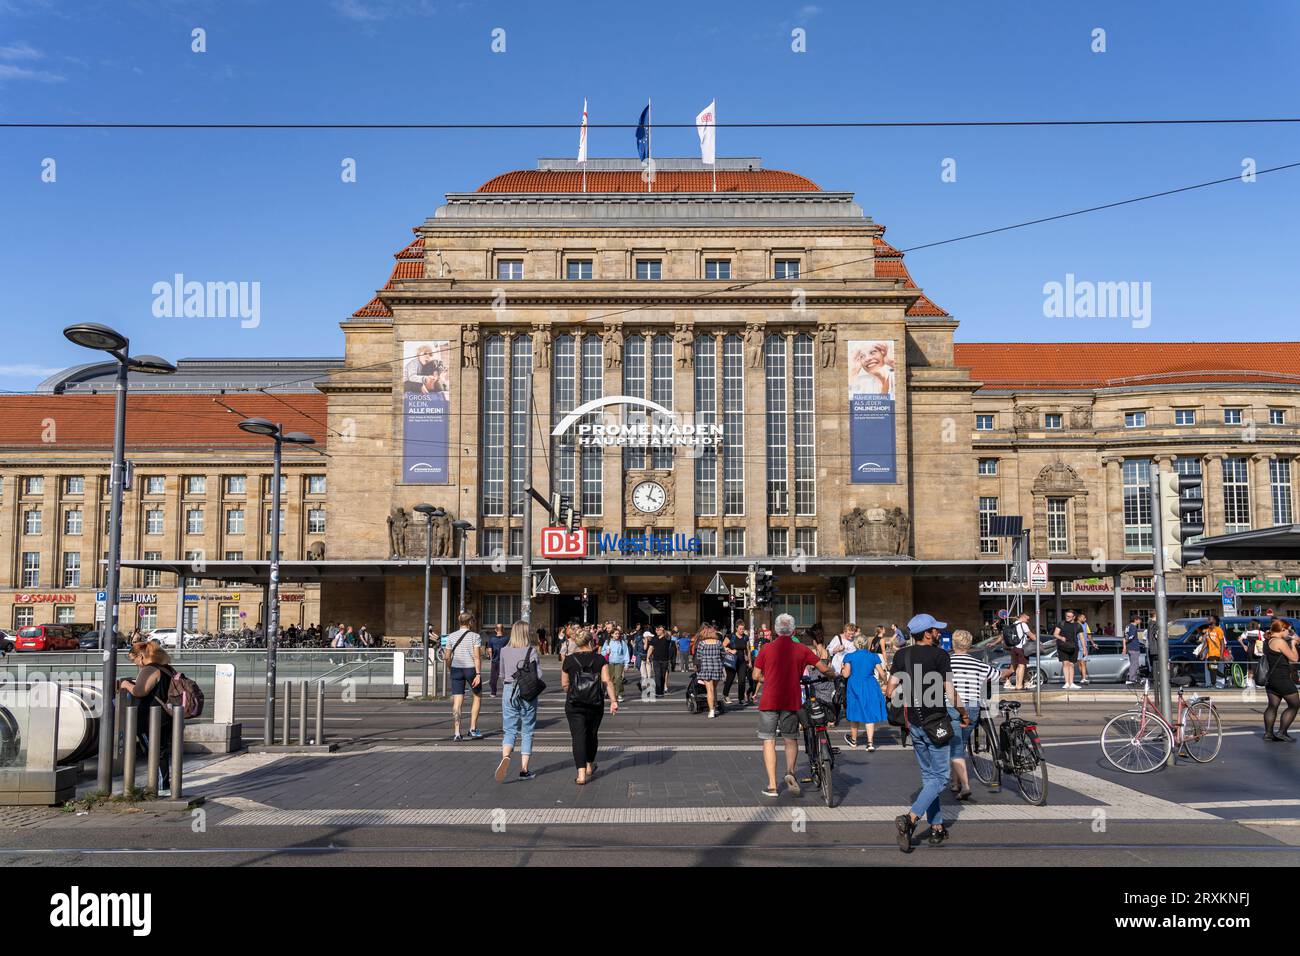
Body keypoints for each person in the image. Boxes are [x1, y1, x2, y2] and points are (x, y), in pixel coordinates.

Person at [886, 613, 968, 852]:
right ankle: (910, 819)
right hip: (937, 723)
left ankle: (937, 827)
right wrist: (963, 713)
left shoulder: (902, 655)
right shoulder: (940, 655)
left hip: (914, 724)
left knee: (929, 777)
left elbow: (890, 690)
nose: (939, 632)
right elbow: (950, 691)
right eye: (935, 629)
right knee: (941, 778)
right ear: (926, 633)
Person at [752, 613, 833, 798]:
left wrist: (769, 679)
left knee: (768, 740)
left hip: (769, 700)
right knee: (790, 739)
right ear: (794, 631)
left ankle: (772, 786)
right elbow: (823, 668)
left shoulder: (766, 649)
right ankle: (790, 771)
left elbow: (756, 676)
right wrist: (835, 675)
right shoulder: (801, 649)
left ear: (775, 630)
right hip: (791, 700)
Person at [560, 628, 619, 784]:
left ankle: (580, 775)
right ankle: (590, 766)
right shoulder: (600, 659)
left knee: (578, 737)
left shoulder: (569, 660)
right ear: (591, 641)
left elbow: (564, 684)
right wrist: (613, 701)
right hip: (595, 703)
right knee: (592, 735)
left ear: (578, 643)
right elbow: (607, 681)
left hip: (574, 704)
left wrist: (575, 690)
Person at [118, 640, 175, 794]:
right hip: (166, 716)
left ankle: (160, 787)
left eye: (134, 659)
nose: (135, 664)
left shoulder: (149, 669)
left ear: (142, 656)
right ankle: (162, 785)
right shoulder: (167, 669)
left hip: (150, 718)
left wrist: (125, 685)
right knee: (161, 751)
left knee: (153, 751)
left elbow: (139, 691)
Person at [948, 629, 999, 801]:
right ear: (969, 645)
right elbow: (996, 675)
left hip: (953, 706)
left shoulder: (946, 662)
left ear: (953, 644)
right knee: (959, 744)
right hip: (972, 706)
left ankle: (964, 785)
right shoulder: (977, 664)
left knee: (954, 746)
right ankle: (955, 783)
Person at [496, 621, 542, 782]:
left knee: (509, 730)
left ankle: (506, 756)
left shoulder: (504, 650)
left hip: (509, 690)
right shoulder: (532, 651)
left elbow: (501, 673)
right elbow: (539, 675)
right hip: (528, 692)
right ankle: (524, 770)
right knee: (527, 730)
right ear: (526, 633)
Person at [840, 633, 887, 750]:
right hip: (870, 685)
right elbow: (882, 674)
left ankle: (854, 741)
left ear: (855, 644)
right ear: (867, 644)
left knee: (854, 712)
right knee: (869, 713)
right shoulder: (873, 656)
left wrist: (842, 668)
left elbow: (846, 675)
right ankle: (870, 743)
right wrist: (884, 680)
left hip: (854, 685)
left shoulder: (849, 656)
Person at [442, 611, 483, 741]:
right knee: (477, 696)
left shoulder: (451, 636)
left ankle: (457, 732)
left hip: (456, 669)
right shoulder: (475, 636)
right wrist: (478, 674)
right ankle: (472, 728)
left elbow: (447, 657)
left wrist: (450, 669)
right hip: (470, 669)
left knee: (457, 702)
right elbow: (477, 657)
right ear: (470, 622)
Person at [1261, 620, 1299, 742]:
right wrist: (1293, 644)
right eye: (1287, 630)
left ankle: (1268, 733)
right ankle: (1282, 732)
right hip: (1282, 678)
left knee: (1272, 706)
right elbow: (1294, 658)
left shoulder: (1267, 640)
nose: (1289, 632)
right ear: (1282, 630)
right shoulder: (1280, 642)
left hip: (1271, 679)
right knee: (1294, 705)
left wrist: (1292, 638)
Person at [693, 624, 726, 718]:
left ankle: (711, 710)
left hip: (706, 667)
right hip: (717, 667)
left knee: (709, 690)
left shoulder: (702, 643)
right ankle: (715, 706)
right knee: (714, 688)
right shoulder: (719, 642)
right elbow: (723, 654)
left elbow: (699, 657)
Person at [1053, 610, 1082, 689]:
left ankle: (1071, 683)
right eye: (1066, 616)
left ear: (1074, 617)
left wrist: (1085, 648)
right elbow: (1055, 634)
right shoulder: (1061, 623)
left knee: (1071, 665)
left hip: (1074, 647)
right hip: (1062, 647)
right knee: (1065, 664)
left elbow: (1081, 637)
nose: (1067, 617)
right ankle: (1066, 683)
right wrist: (1061, 637)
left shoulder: (1077, 625)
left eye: (1069, 616)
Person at [722, 623, 750, 705]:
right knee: (730, 679)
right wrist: (730, 650)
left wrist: (750, 662)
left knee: (742, 681)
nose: (742, 630)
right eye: (740, 629)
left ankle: (741, 699)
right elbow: (722, 646)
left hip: (742, 662)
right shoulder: (731, 636)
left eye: (743, 629)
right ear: (736, 628)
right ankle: (725, 695)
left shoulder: (745, 637)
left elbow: (747, 650)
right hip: (732, 661)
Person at [601, 628, 631, 702]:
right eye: (615, 634)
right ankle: (612, 694)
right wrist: (606, 652)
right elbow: (602, 652)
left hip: (619, 662)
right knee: (610, 679)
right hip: (610, 662)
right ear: (612, 634)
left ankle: (619, 694)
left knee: (618, 678)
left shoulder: (622, 642)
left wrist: (626, 664)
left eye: (618, 634)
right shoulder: (607, 642)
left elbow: (626, 653)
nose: (617, 635)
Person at [1197, 615, 1227, 688]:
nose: (1208, 620)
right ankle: (1225, 676)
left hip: (1216, 653)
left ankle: (1213, 684)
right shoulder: (1208, 630)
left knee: (1213, 669)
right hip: (1209, 654)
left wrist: (1221, 654)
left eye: (1209, 619)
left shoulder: (1218, 630)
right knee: (1211, 669)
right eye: (1208, 619)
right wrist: (1201, 652)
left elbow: (1222, 643)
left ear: (1214, 621)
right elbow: (1206, 643)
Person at [487, 623, 511, 698]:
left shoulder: (491, 639)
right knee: (506, 677)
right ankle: (507, 692)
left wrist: (491, 658)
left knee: (493, 678)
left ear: (495, 630)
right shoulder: (507, 639)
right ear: (503, 629)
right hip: (504, 661)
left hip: (495, 661)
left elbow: (490, 650)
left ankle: (493, 692)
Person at [649, 627, 673, 698]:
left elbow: (669, 635)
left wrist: (664, 630)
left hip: (665, 660)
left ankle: (661, 691)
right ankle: (658, 692)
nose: (657, 631)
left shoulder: (666, 638)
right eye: (656, 630)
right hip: (656, 659)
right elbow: (651, 647)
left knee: (662, 676)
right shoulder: (654, 638)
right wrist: (648, 657)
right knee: (657, 675)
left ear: (662, 631)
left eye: (658, 630)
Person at [1241, 619, 1265, 689]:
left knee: (1250, 666)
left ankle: (1249, 682)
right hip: (1258, 649)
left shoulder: (1247, 632)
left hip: (1250, 649)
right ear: (1257, 625)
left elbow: (1239, 639)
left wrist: (1244, 646)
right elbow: (1264, 641)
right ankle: (1258, 682)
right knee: (1258, 666)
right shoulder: (1260, 632)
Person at [1122, 614, 1145, 685]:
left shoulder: (1127, 626)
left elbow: (1124, 637)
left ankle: (1133, 677)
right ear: (1135, 620)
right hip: (1134, 648)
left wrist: (1124, 647)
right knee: (1134, 664)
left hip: (1129, 648)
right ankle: (1132, 679)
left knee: (1133, 663)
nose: (1140, 621)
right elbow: (1130, 637)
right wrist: (1127, 641)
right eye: (1139, 619)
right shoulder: (1134, 627)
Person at [1076, 613, 1094, 684]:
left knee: (1083, 662)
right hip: (1077, 645)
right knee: (1080, 662)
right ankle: (1082, 678)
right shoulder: (1075, 625)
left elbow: (1089, 635)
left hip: (1085, 645)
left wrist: (1093, 643)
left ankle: (1084, 678)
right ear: (1079, 618)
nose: (1085, 619)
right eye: (1084, 618)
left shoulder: (1086, 624)